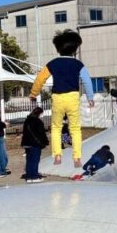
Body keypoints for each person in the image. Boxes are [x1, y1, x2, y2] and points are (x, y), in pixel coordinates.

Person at [30, 29, 94, 168]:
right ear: (75, 49)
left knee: (56, 127)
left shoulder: (52, 63)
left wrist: (34, 93)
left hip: (58, 97)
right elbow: (87, 81)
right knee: (75, 128)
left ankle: (57, 155)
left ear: (58, 49)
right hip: (73, 97)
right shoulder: (78, 64)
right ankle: (77, 158)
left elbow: (40, 79)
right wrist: (90, 97)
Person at [21, 106, 49, 183]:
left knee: (29, 160)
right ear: (39, 113)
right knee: (35, 160)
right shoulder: (38, 122)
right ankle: (34, 176)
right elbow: (41, 134)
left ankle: (29, 176)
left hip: (26, 143)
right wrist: (45, 142)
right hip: (35, 143)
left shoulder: (27, 120)